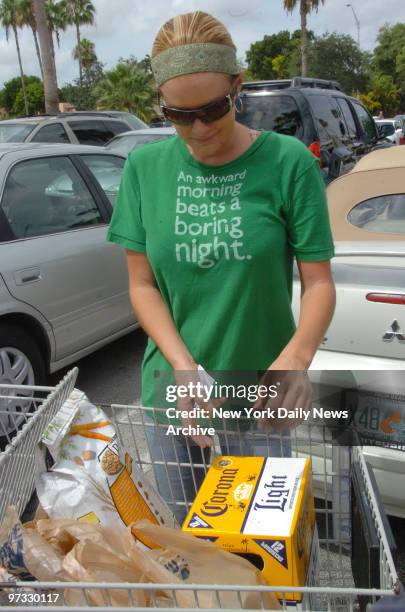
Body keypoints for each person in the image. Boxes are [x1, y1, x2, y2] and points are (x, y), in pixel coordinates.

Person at [107, 11, 336, 523]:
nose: (199, 128)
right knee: (192, 544)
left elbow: (318, 282)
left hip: (259, 399)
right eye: (178, 115)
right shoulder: (145, 169)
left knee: (261, 547)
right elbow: (142, 285)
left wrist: (297, 358)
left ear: (238, 87)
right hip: (173, 394)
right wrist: (183, 368)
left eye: (212, 109)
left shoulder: (288, 162)